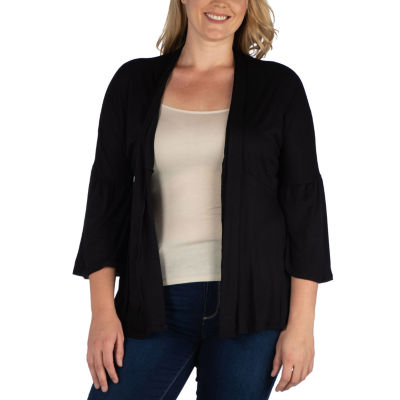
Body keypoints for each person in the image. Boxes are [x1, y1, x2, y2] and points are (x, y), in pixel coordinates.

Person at [73, 0, 333, 398]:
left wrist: (302, 325)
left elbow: (305, 209)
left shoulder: (279, 88)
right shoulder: (133, 83)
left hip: (253, 308)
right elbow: (106, 202)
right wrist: (102, 313)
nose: (220, 3)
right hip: (152, 305)